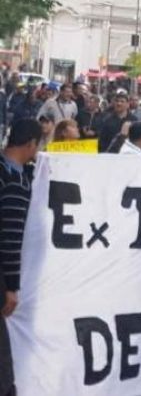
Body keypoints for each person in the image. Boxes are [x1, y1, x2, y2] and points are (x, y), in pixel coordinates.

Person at [0, 119, 43, 395]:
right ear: (30, 144)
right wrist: (11, 287)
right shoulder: (13, 181)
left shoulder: (11, 171)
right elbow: (10, 237)